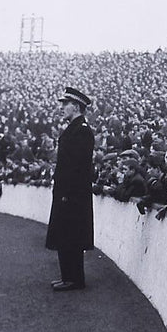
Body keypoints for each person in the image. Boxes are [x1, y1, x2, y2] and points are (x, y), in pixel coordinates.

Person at [45, 86, 95, 292]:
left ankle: (74, 279)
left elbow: (76, 166)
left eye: (65, 104)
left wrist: (66, 193)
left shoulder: (81, 131)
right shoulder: (75, 128)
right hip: (68, 192)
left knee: (70, 235)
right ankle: (68, 276)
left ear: (76, 106)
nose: (62, 108)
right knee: (66, 234)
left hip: (72, 194)